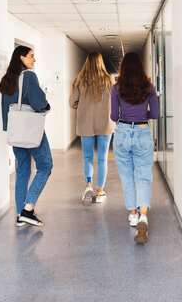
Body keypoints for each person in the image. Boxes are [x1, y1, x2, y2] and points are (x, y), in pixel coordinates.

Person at [0, 46, 52, 227]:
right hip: (30, 130)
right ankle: (28, 210)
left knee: (22, 171)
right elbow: (39, 103)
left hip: (16, 132)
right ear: (21, 58)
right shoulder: (28, 76)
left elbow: (6, 108)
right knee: (45, 166)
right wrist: (46, 106)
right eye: (31, 56)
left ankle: (20, 214)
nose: (34, 60)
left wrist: (10, 128)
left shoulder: (8, 79)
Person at [110, 52, 159, 244]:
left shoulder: (116, 88)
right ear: (140, 68)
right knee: (143, 176)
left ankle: (132, 213)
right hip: (142, 132)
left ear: (123, 69)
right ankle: (143, 215)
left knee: (127, 176)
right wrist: (141, 112)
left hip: (122, 132)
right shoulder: (149, 87)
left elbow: (114, 116)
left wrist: (127, 113)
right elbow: (154, 114)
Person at [70, 51, 115, 206]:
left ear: (87, 62)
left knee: (87, 157)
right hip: (105, 124)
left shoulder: (79, 80)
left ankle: (88, 184)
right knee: (102, 158)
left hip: (85, 123)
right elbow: (116, 102)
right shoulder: (109, 80)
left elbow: (72, 103)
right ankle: (100, 191)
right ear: (101, 63)